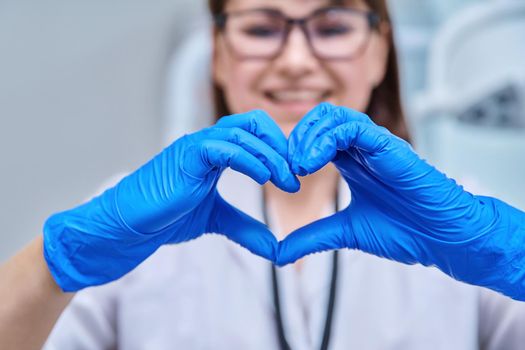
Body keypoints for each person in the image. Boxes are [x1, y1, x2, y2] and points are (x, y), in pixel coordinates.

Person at [1, 0, 525, 349]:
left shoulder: (459, 225)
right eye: (261, 28)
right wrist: (55, 263)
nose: (296, 60)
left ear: (380, 52)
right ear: (219, 55)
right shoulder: (137, 223)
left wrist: (512, 256)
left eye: (333, 26)